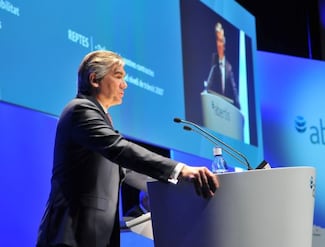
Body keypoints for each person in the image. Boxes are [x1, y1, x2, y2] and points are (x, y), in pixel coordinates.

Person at [36, 50, 219, 247]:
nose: (125, 84)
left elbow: (126, 170)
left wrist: (177, 186)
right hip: (72, 236)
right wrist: (179, 170)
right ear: (94, 79)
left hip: (94, 236)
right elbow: (119, 149)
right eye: (118, 76)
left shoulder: (101, 118)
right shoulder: (80, 110)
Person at [205, 22, 240, 109]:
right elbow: (209, 84)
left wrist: (238, 105)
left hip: (225, 109)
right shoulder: (213, 60)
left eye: (220, 41)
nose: (219, 44)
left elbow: (233, 89)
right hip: (213, 105)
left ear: (224, 45)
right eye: (217, 41)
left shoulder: (228, 66)